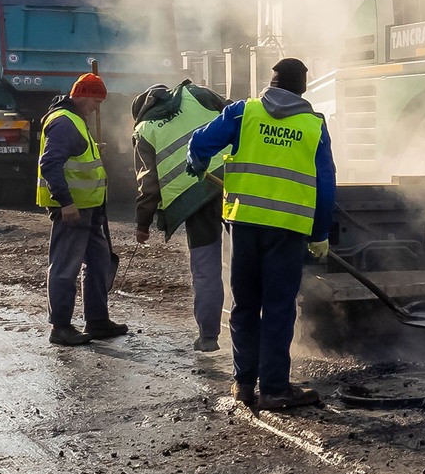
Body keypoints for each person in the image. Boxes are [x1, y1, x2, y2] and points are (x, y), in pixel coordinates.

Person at [187, 57, 335, 411]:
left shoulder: (243, 113)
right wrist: (320, 233)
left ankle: (243, 384)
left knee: (245, 304)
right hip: (287, 230)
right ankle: (273, 388)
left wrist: (198, 162)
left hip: (245, 225)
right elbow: (325, 184)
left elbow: (200, 142)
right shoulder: (314, 125)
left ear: (272, 83)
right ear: (303, 88)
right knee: (279, 308)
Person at [133, 79, 231, 351]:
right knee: (248, 260)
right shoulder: (197, 94)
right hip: (234, 181)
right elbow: (236, 116)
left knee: (206, 269)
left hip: (194, 200)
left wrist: (143, 223)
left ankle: (209, 337)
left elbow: (148, 183)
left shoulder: (144, 130)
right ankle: (257, 330)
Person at [38, 73, 130, 347]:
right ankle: (61, 327)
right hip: (73, 209)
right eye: (95, 101)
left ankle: (97, 320)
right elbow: (50, 164)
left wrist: (92, 148)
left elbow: (75, 158)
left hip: (88, 209)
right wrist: (66, 202)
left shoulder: (74, 120)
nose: (97, 107)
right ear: (82, 95)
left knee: (99, 261)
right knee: (66, 266)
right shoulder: (65, 122)